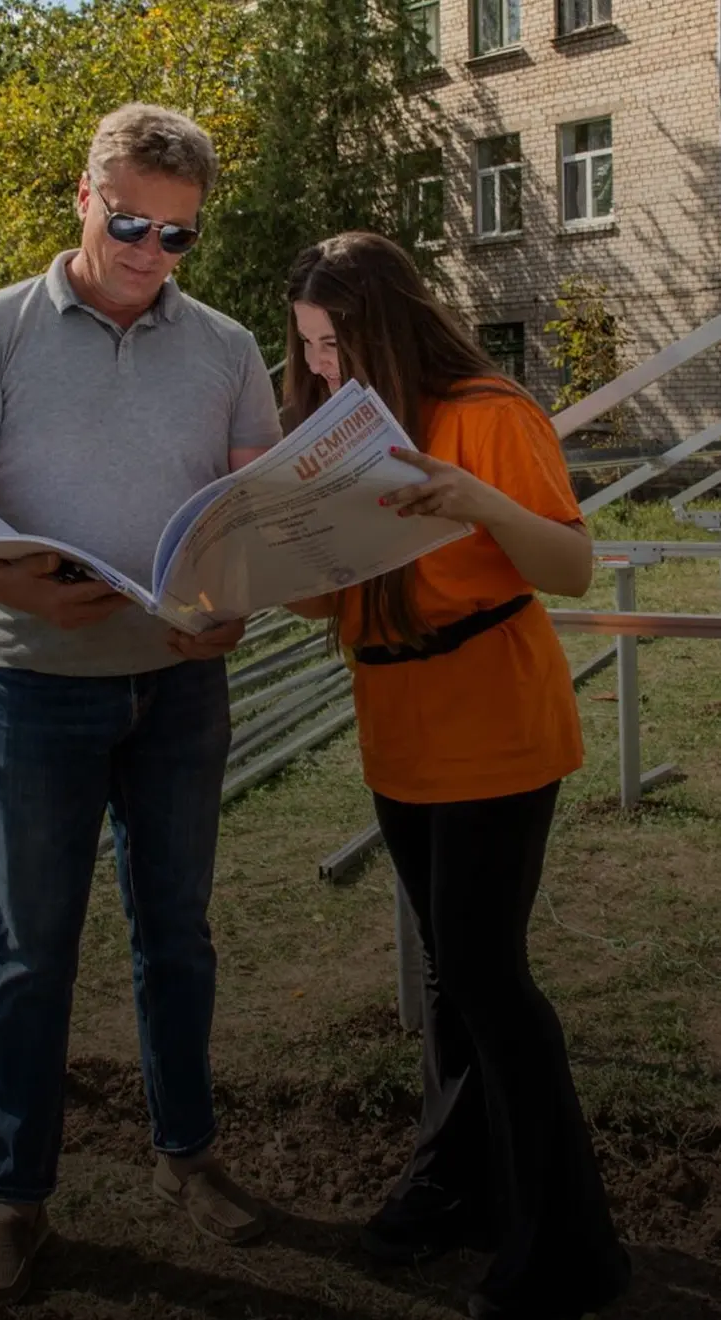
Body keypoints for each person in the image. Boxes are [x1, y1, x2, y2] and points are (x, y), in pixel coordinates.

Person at [0, 103, 283, 1303]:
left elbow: (252, 512)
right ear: (82, 197)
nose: (150, 253)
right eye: (130, 224)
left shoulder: (225, 347)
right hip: (34, 684)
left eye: (178, 237)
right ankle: (19, 1200)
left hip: (182, 684)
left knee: (179, 937)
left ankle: (190, 1160)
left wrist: (240, 596)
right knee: (28, 953)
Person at [283, 233, 631, 1320]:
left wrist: (476, 502)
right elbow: (338, 594)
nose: (324, 368)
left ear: (387, 328)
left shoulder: (487, 413)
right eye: (308, 349)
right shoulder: (336, 437)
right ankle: (458, 1188)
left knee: (486, 975)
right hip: (402, 732)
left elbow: (569, 566)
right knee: (449, 974)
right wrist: (235, 573)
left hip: (496, 725)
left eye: (337, 345)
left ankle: (570, 1245)